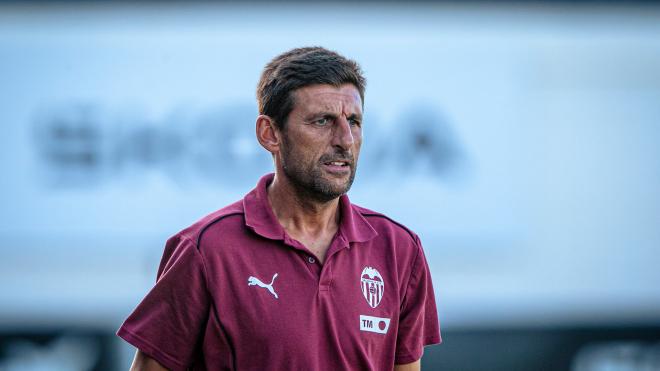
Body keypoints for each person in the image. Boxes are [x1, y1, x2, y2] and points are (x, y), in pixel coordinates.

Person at [117, 46, 441, 371]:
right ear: (269, 134)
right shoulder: (205, 249)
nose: (345, 139)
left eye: (354, 121)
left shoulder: (399, 249)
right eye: (323, 120)